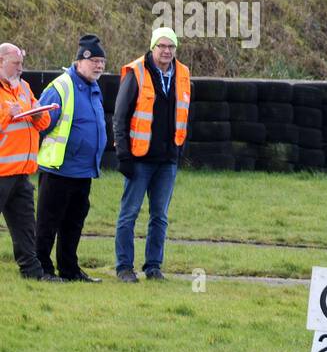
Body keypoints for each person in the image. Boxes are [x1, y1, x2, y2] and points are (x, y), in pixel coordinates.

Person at [113, 27, 191, 282]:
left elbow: (184, 114)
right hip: (139, 159)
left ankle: (153, 267)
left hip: (167, 160)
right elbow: (120, 117)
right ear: (152, 47)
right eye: (162, 46)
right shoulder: (136, 72)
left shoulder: (183, 73)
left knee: (160, 217)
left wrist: (179, 151)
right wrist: (123, 155)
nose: (167, 51)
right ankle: (124, 267)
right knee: (129, 214)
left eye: (171, 47)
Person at [35, 34, 108, 283]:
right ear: (80, 61)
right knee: (47, 223)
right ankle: (42, 268)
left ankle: (69, 269)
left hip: (83, 171)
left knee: (73, 224)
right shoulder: (61, 87)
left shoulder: (93, 88)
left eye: (102, 62)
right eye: (94, 61)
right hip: (58, 169)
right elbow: (40, 123)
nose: (99, 66)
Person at [0, 42, 57, 281]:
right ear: (1, 62)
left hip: (22, 173)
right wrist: (7, 114)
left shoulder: (23, 87)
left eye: (21, 63)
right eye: (16, 63)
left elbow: (43, 124)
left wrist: (38, 113)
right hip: (2, 173)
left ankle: (33, 273)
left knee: (25, 227)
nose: (21, 68)